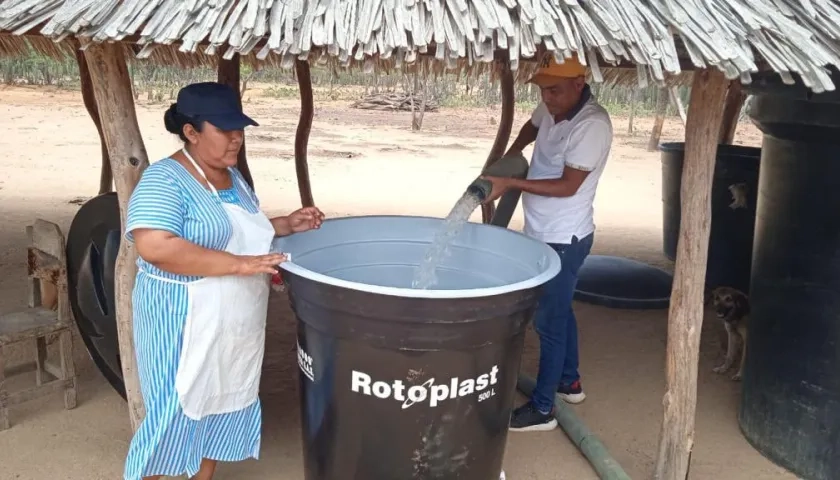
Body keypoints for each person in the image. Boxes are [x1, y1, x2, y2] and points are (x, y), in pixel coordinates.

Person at [122, 82, 325, 480]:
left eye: (240, 129)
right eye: (225, 129)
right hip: (181, 320)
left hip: (233, 323)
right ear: (191, 132)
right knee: (174, 414)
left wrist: (286, 224)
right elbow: (155, 246)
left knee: (217, 406)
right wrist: (238, 265)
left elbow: (243, 230)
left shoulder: (234, 179)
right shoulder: (165, 180)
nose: (236, 138)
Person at [481, 53, 613, 432]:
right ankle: (569, 383)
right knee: (559, 311)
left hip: (564, 238)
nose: (547, 98)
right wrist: (514, 152)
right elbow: (531, 124)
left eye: (554, 90)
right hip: (541, 233)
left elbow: (569, 185)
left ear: (578, 84)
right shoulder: (553, 104)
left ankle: (543, 410)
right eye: (542, 90)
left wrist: (510, 183)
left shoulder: (592, 126)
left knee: (548, 323)